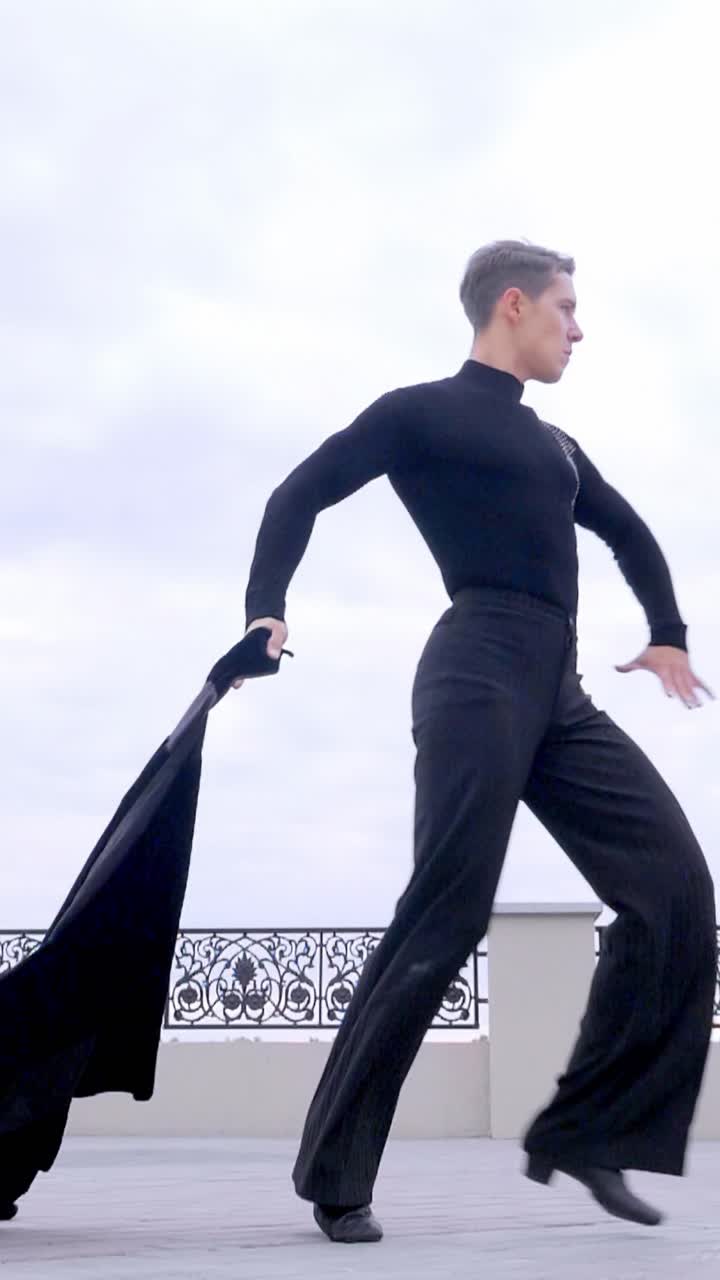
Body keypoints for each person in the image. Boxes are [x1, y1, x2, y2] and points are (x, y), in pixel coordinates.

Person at [237, 240, 717, 1243]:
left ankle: (592, 1129)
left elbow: (631, 535)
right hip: (475, 670)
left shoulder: (559, 447)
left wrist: (667, 628)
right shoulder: (419, 413)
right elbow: (299, 492)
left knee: (675, 888)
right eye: (567, 307)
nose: (578, 328)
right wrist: (265, 610)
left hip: (559, 688)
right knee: (446, 910)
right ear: (512, 306)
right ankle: (337, 1167)